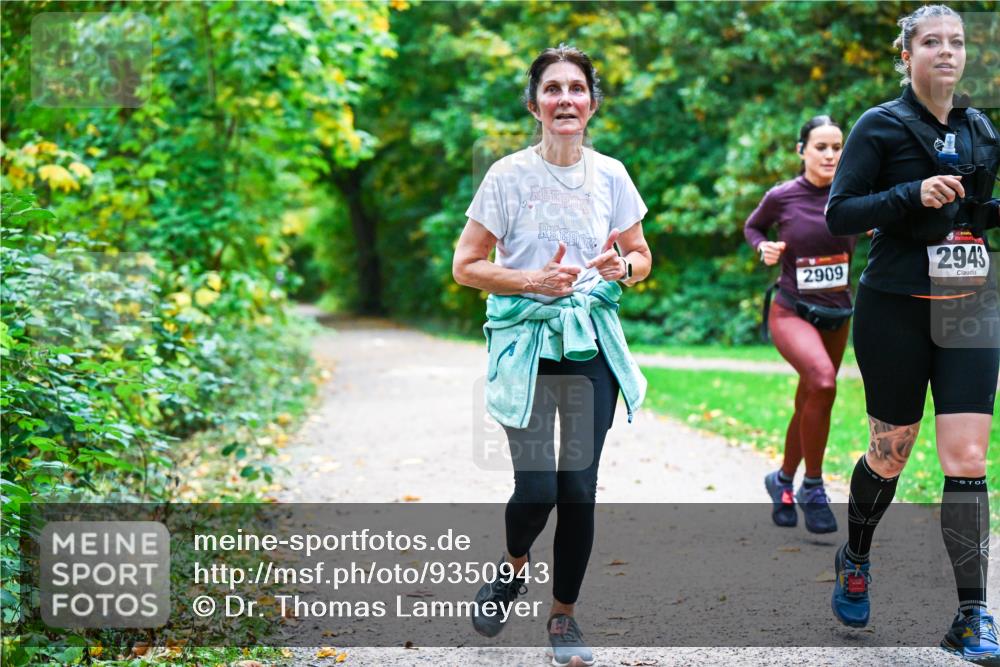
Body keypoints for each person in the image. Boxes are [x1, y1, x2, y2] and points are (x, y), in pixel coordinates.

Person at [452, 44, 651, 667]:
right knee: (537, 486)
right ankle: (512, 570)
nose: (565, 99)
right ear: (535, 103)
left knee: (580, 489)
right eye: (552, 89)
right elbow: (466, 267)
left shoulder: (612, 174)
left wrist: (625, 266)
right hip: (527, 342)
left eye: (576, 88)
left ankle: (563, 617)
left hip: (587, 339)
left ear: (591, 102)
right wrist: (532, 281)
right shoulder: (507, 176)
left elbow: (641, 255)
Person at [825, 5, 1000, 662]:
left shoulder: (981, 127)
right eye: (932, 42)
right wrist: (909, 195)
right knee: (890, 453)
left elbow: (978, 212)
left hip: (969, 307)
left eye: (957, 41)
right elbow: (840, 211)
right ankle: (857, 553)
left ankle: (972, 613)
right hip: (895, 306)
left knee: (968, 459)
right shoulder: (879, 125)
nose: (947, 51)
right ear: (907, 55)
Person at [744, 115, 853, 534]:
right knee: (824, 382)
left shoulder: (851, 195)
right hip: (791, 310)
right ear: (801, 150)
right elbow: (753, 226)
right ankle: (812, 485)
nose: (830, 154)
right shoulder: (783, 196)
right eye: (821, 146)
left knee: (810, 397)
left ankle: (782, 481)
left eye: (837, 147)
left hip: (837, 313)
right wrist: (763, 247)